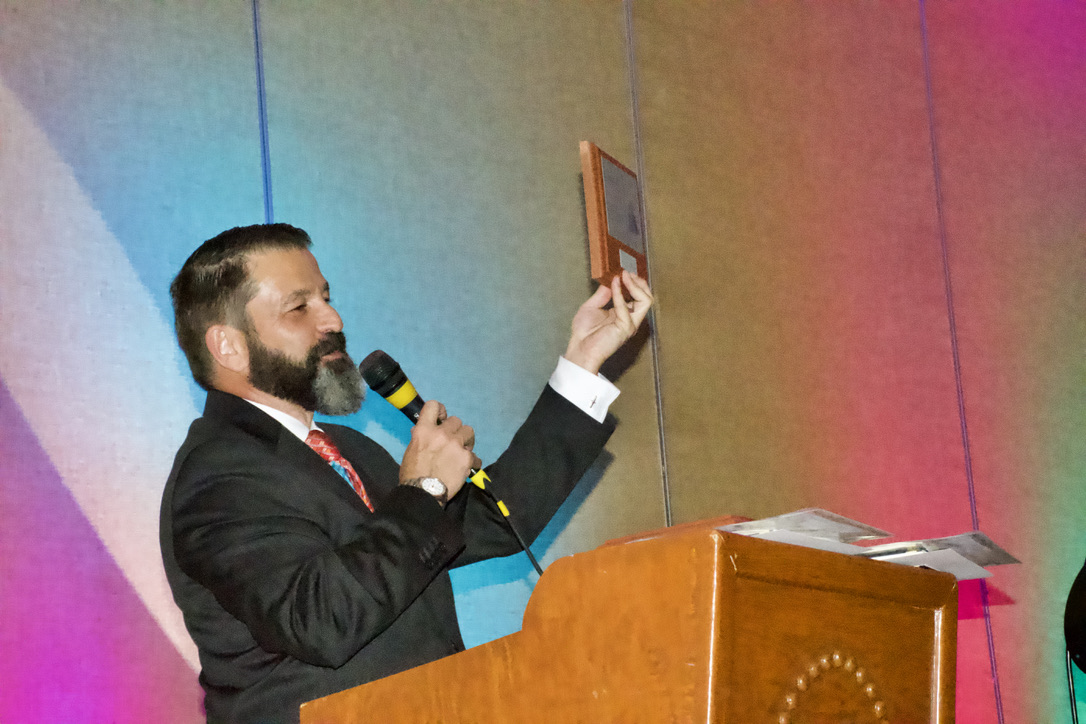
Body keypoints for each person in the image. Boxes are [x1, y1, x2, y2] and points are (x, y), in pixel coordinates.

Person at [160, 224, 653, 723]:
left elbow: (496, 521)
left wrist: (582, 364)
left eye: (326, 297)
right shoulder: (218, 474)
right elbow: (321, 621)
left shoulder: (346, 448)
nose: (333, 319)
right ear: (228, 346)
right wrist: (424, 490)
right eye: (299, 307)